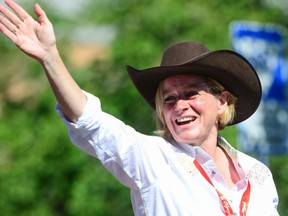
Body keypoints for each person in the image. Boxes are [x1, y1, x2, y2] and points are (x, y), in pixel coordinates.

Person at [0, 0, 279, 215]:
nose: (180, 105)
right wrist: (50, 58)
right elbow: (90, 121)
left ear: (222, 102)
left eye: (191, 93)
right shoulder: (155, 159)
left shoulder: (258, 173)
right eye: (169, 99)